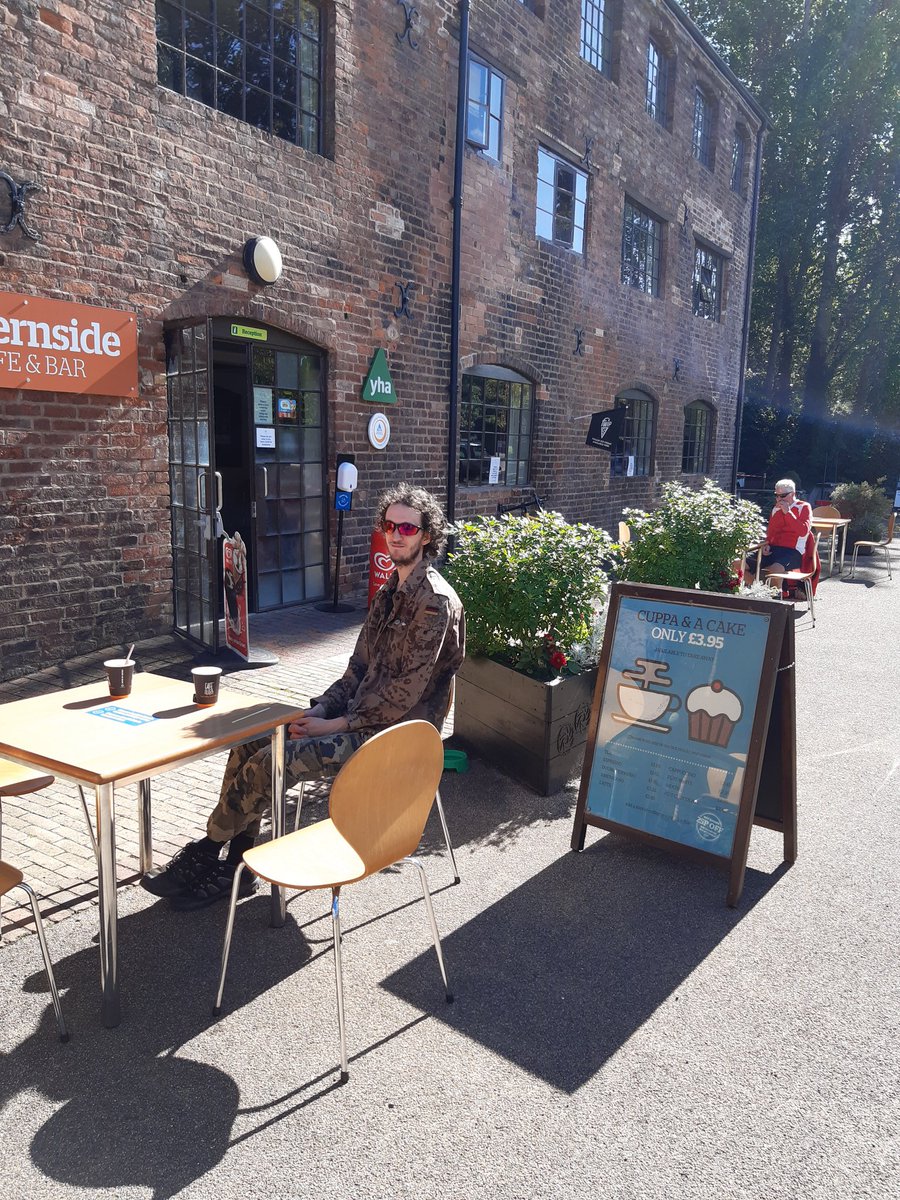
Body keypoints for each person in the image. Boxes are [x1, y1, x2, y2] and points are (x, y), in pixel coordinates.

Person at [144, 483, 465, 910]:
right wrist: (320, 708)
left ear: (427, 535)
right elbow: (357, 669)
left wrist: (335, 724)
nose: (396, 534)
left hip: (397, 738)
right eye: (390, 525)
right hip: (355, 720)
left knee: (278, 760)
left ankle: (208, 850)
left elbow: (402, 694)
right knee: (255, 742)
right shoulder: (389, 592)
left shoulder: (435, 603)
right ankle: (237, 863)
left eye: (408, 527)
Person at [744, 479, 812, 584]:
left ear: (793, 494)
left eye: (783, 496)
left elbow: (803, 531)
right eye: (777, 495)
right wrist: (766, 544)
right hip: (773, 549)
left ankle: (776, 595)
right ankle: (757, 589)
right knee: (738, 563)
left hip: (793, 551)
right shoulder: (775, 508)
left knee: (775, 569)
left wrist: (788, 513)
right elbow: (771, 531)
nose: (779, 499)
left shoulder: (803, 507)